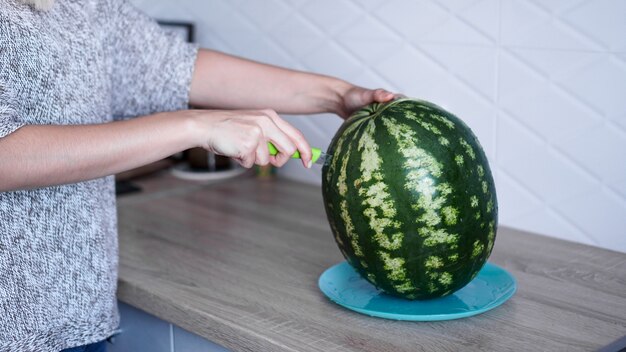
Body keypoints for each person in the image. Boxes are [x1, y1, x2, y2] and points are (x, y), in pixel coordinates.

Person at [0, 0, 397, 351]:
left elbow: (178, 69)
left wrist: (339, 95)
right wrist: (195, 127)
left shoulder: (81, 6)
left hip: (78, 316)